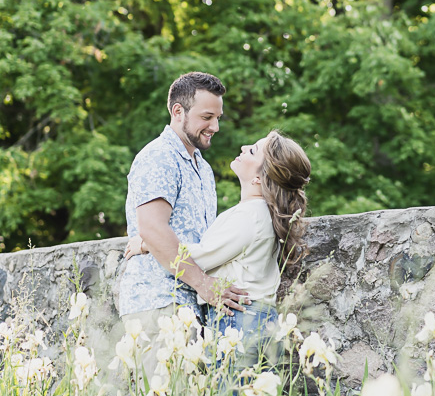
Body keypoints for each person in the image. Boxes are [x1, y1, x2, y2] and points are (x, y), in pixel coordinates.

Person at [125, 130, 311, 369]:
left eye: (253, 150)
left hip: (241, 320)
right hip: (256, 317)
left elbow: (200, 257)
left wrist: (146, 243)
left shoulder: (250, 215)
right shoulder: (258, 213)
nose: (244, 147)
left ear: (258, 179)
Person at [117, 72, 248, 371]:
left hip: (190, 306)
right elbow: (152, 228)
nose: (214, 126)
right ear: (178, 111)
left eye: (218, 117)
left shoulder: (202, 168)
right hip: (159, 302)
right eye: (206, 117)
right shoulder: (159, 157)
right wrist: (203, 283)